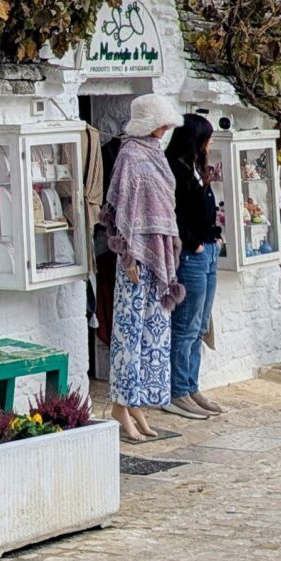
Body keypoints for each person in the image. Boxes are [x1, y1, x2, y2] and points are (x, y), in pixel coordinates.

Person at [103, 93, 184, 443]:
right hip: (134, 257)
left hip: (159, 254)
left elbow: (164, 200)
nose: (166, 129)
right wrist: (128, 255)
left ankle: (138, 402)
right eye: (163, 123)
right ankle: (120, 404)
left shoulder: (156, 155)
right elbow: (124, 207)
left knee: (155, 333)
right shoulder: (131, 155)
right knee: (129, 332)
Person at [166, 112, 226, 420]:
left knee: (201, 325)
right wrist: (193, 242)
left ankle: (191, 385)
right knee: (186, 325)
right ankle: (178, 390)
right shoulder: (175, 170)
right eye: (207, 137)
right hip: (192, 255)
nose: (211, 142)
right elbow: (173, 215)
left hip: (208, 250)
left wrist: (214, 238)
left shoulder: (196, 168)